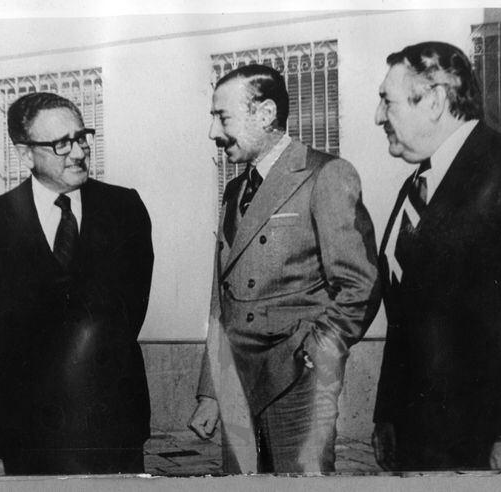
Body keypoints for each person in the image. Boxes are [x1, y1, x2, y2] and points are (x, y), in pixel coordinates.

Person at [371, 42, 501, 471]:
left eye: (386, 101)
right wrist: (388, 413)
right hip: (426, 433)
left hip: (497, 440)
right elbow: (407, 314)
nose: (378, 117)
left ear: (434, 100)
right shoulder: (416, 186)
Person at [187, 64, 381, 473]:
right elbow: (221, 298)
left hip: (296, 382)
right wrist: (210, 390)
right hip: (237, 383)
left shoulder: (325, 175)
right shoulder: (235, 189)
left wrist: (315, 352)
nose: (213, 133)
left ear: (265, 113)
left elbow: (359, 284)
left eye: (222, 117)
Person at [0, 92, 154, 475]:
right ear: (25, 153)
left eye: (81, 137)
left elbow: (130, 312)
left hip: (111, 421)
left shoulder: (125, 208)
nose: (78, 152)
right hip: (29, 425)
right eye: (60, 143)